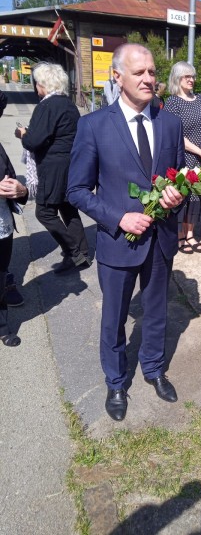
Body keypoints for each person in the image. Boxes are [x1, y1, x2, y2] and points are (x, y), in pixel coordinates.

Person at [67, 43, 185, 421]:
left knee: (156, 311)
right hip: (118, 243)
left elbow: (180, 177)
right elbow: (77, 191)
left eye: (152, 72)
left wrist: (176, 195)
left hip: (160, 240)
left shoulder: (170, 123)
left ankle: (153, 368)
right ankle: (116, 381)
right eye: (139, 73)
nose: (149, 79)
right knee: (114, 317)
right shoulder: (94, 126)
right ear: (117, 77)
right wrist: (119, 218)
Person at [15, 62, 91, 274]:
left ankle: (73, 252)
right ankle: (83, 252)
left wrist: (23, 134)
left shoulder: (46, 106)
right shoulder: (69, 105)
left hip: (53, 167)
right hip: (70, 164)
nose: (36, 87)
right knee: (68, 208)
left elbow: (33, 141)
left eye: (37, 83)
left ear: (43, 84)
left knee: (45, 212)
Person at [164, 61, 201, 254]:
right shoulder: (172, 102)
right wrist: (199, 151)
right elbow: (175, 134)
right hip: (185, 156)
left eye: (193, 76)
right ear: (177, 78)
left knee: (197, 197)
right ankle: (180, 234)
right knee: (183, 196)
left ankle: (190, 233)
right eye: (187, 76)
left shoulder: (200, 99)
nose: (192, 79)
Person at [0, 143, 28, 347]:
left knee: (0, 277)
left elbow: (11, 177)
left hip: (2, 226)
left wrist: (21, 190)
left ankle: (2, 326)